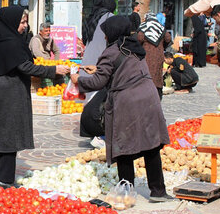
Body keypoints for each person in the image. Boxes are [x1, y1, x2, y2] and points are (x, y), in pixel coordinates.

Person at [72, 15, 172, 203]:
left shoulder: (111, 51)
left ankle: (127, 191)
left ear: (112, 32)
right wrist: (100, 68)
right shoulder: (134, 45)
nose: (104, 37)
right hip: (149, 97)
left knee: (123, 146)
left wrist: (79, 81)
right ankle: (158, 191)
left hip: (129, 101)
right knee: (151, 146)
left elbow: (98, 81)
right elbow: (123, 69)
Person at [0, 6, 70, 188]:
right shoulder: (12, 43)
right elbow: (26, 67)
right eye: (22, 22)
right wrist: (53, 70)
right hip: (9, 91)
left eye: (25, 22)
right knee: (9, 135)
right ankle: (4, 180)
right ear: (11, 22)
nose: (24, 26)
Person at [81, 0, 116, 100]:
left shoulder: (90, 18)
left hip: (87, 61)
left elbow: (84, 40)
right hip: (102, 60)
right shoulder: (110, 17)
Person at [137, 12, 168, 99]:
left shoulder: (144, 27)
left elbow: (139, 38)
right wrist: (162, 46)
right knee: (157, 74)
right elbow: (168, 38)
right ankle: (157, 94)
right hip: (159, 56)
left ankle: (146, 93)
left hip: (146, 55)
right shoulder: (160, 27)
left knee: (147, 73)